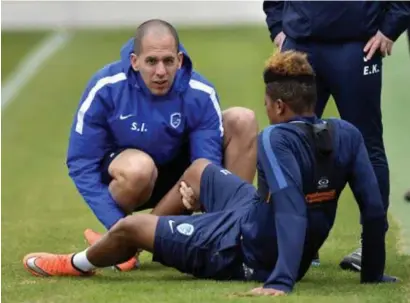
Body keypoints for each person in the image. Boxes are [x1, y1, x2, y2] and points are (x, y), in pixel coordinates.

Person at [23, 50, 397, 296]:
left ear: (279, 105)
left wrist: (281, 281)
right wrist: (373, 275)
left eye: (266, 104)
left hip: (242, 250)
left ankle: (79, 262)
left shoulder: (275, 138)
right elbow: (374, 208)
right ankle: (133, 250)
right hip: (251, 215)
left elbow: (291, 209)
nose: (264, 109)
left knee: (127, 227)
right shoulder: (346, 133)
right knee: (201, 170)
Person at [66, 19, 258, 271]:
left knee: (243, 119)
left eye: (168, 61)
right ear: (134, 61)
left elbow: (206, 164)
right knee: (139, 168)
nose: (160, 72)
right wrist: (115, 224)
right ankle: (123, 236)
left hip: (180, 180)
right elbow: (81, 162)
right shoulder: (106, 87)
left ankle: (231, 235)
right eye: (151, 62)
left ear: (179, 60)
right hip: (132, 181)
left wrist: (200, 193)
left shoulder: (199, 92)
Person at [263, 1, 410, 270]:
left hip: (356, 46)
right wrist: (277, 26)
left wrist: (391, 27)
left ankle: (372, 245)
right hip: (300, 46)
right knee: (287, 141)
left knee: (367, 145)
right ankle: (295, 241)